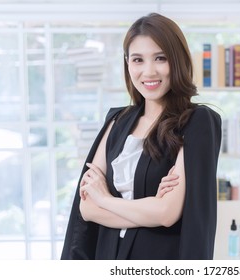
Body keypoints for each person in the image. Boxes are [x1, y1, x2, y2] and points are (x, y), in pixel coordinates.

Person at [61, 12, 222, 260]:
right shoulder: (116, 121)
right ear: (127, 64)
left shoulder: (197, 122)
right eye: (138, 60)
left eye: (160, 58)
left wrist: (104, 198)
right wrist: (149, 210)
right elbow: (86, 208)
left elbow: (166, 213)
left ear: (177, 61)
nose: (148, 72)